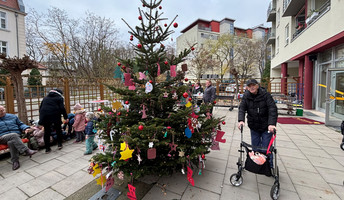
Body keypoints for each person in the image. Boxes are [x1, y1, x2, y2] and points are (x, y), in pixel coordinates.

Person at [237, 79, 278, 168]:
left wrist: (271, 124)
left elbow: (272, 109)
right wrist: (241, 120)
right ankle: (257, 165)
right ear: (247, 88)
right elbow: (242, 108)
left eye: (253, 85)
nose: (252, 87)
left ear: (257, 86)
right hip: (254, 126)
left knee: (266, 148)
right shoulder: (246, 96)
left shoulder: (265, 95)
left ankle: (268, 166)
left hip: (266, 126)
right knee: (255, 147)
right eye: (249, 86)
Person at [0, 106, 38, 170]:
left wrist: (26, 128)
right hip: (2, 137)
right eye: (0, 111)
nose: (2, 112)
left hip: (15, 136)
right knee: (13, 136)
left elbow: (20, 124)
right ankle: (26, 150)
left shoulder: (12, 116)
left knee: (11, 142)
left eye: (3, 110)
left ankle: (15, 161)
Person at [39, 89, 68, 153]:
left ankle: (47, 148)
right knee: (58, 129)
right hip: (55, 115)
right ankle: (59, 144)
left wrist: (42, 116)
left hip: (45, 115)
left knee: (47, 131)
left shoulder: (45, 98)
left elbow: (40, 107)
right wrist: (66, 117)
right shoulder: (59, 98)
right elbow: (62, 108)